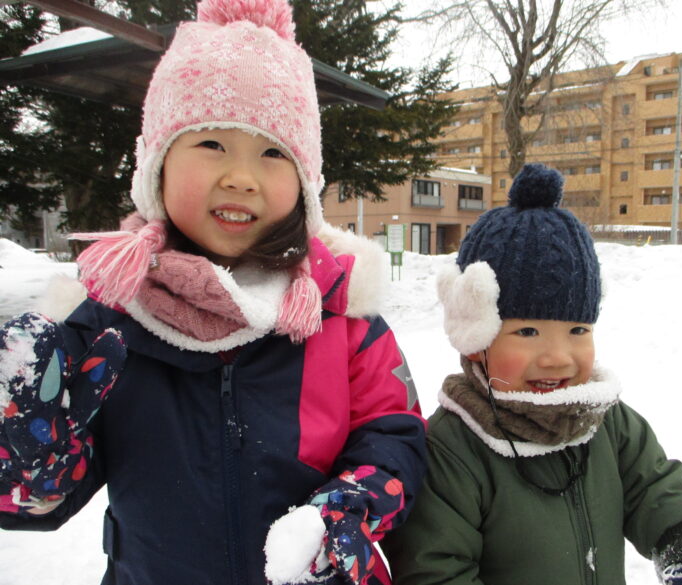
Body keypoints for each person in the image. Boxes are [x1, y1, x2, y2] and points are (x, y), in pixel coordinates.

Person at [0, 1, 426, 584]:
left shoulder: (342, 316)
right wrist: (31, 459)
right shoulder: (107, 320)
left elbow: (395, 433)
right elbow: (41, 500)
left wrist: (354, 505)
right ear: (158, 167)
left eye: (273, 153)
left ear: (305, 186)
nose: (241, 177)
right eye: (211, 145)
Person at [381, 163, 682, 585]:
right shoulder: (452, 449)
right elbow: (433, 567)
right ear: (476, 336)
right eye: (527, 331)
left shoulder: (608, 422)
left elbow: (656, 488)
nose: (558, 357)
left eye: (577, 330)